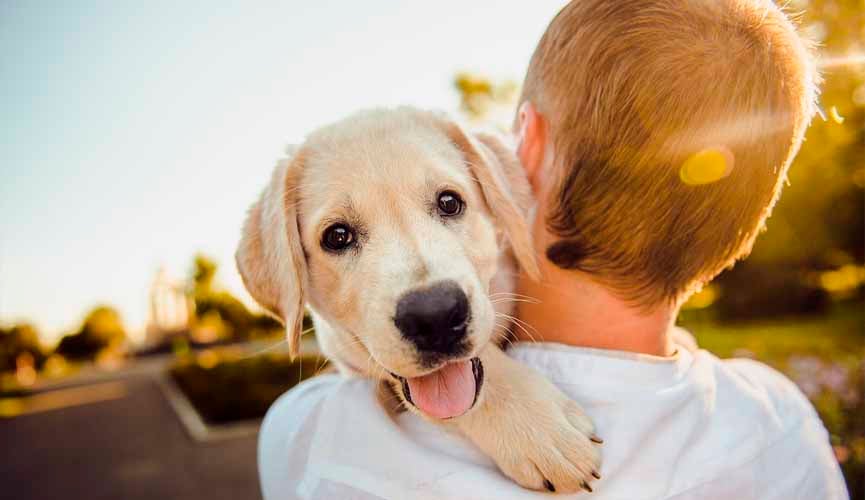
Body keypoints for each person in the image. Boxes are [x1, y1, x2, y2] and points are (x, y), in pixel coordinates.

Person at [257, 0, 849, 498]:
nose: (426, 288)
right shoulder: (783, 426)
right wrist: (491, 395)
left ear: (526, 149)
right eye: (340, 237)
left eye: (448, 203)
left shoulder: (316, 441)